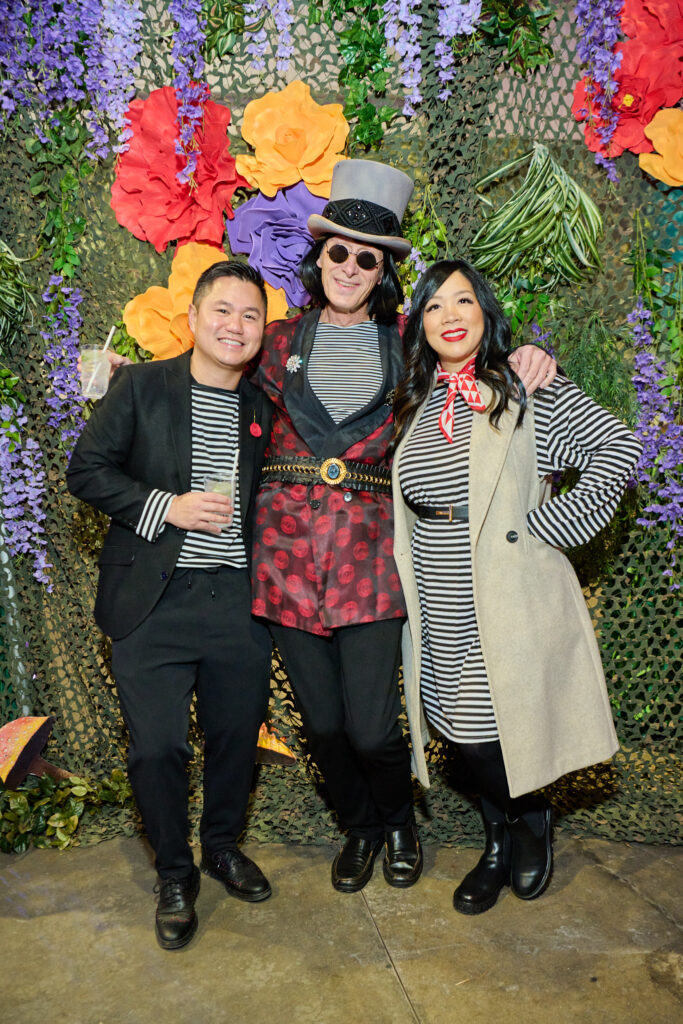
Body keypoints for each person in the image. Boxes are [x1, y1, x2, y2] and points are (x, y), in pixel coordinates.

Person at [248, 160, 557, 894]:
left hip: (372, 560)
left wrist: (527, 355)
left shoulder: (410, 345)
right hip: (287, 558)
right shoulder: (272, 341)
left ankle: (397, 821)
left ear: (383, 268)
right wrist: (110, 378)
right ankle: (360, 824)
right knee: (321, 728)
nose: (349, 267)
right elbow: (205, 373)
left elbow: (472, 358)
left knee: (372, 729)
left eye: (367, 257)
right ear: (317, 258)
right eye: (337, 252)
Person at [390, 259, 642, 914]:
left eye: (463, 302)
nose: (450, 315)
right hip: (437, 595)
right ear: (420, 323)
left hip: (501, 588)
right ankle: (501, 826)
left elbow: (615, 448)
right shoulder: (413, 399)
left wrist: (544, 525)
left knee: (493, 727)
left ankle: (522, 826)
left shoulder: (525, 387)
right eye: (435, 305)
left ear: (485, 315)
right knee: (458, 728)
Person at [66, 262, 275, 950]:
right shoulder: (142, 386)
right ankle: (174, 874)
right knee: (156, 749)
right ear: (192, 318)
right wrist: (167, 507)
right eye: (222, 310)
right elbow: (86, 471)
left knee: (234, 742)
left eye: (250, 315)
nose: (234, 325)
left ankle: (220, 846)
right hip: (151, 600)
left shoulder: (263, 408)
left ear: (262, 331)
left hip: (236, 603)